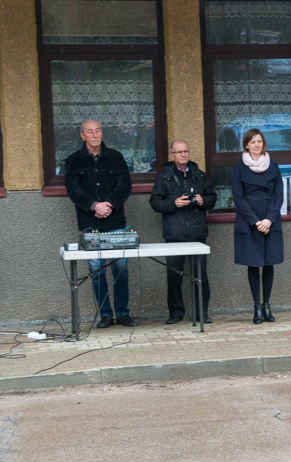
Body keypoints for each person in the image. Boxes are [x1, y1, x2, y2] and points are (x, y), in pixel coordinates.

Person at [65, 119, 136, 329]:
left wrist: (109, 205)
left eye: (98, 131)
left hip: (115, 222)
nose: (95, 135)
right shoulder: (73, 161)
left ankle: (123, 313)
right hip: (90, 224)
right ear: (82, 135)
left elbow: (125, 186)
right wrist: (94, 205)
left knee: (120, 269)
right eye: (90, 131)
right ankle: (105, 314)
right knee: (96, 271)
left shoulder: (116, 157)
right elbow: (74, 190)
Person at [149, 140, 217, 324]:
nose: (183, 155)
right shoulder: (164, 177)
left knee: (200, 275)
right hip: (174, 233)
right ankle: (176, 313)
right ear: (172, 155)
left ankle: (201, 313)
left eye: (186, 151)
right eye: (179, 152)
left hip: (197, 233)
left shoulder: (199, 175)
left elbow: (213, 198)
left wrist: (203, 201)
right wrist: (173, 204)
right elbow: (155, 202)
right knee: (174, 276)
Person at [233, 129, 284, 324]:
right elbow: (238, 197)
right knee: (253, 264)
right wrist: (255, 221)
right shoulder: (239, 168)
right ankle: (256, 307)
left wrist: (269, 220)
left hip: (270, 221)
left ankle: (267, 305)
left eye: (260, 141)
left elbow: (278, 195)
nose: (257, 145)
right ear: (246, 145)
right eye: (253, 142)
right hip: (249, 222)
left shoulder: (274, 166)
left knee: (269, 264)